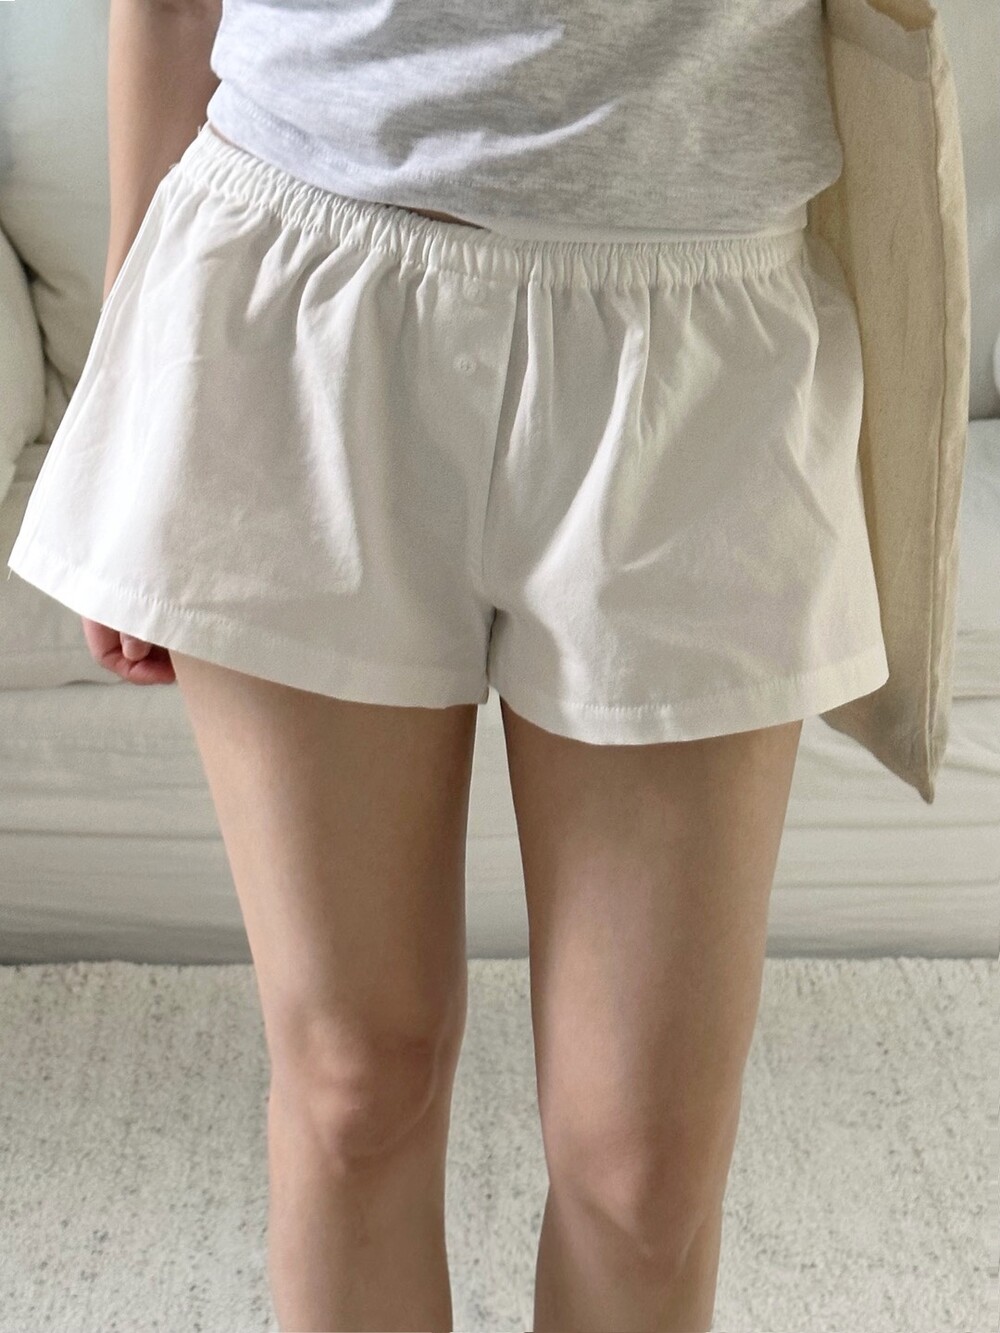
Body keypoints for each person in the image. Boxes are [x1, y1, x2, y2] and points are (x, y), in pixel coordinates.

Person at [6, 0, 890, 1328]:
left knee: (643, 1168)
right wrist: (134, 392)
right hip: (299, 290)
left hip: (698, 320)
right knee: (355, 1085)